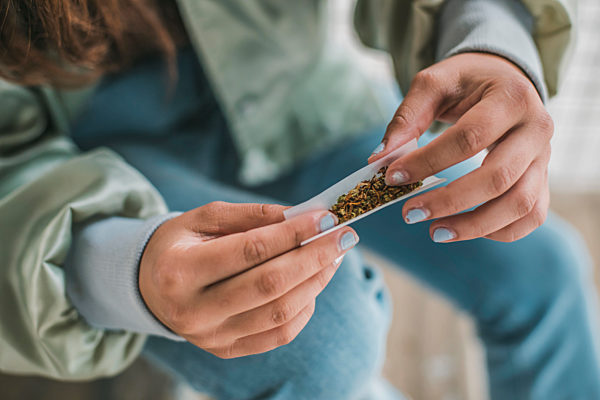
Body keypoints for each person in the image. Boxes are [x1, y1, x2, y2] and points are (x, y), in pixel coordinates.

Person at [1, 0, 599, 399]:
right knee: (326, 341)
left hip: (296, 101)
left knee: (546, 269)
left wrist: (495, 42)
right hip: (93, 160)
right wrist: (122, 270)